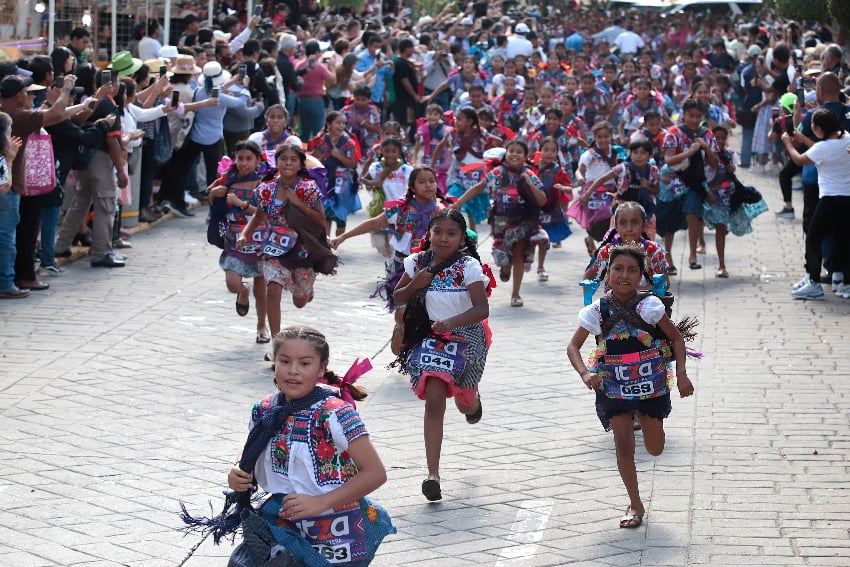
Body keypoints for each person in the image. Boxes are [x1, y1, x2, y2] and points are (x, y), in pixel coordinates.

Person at [225, 326, 394, 566]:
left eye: (305, 363)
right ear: (275, 363)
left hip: (337, 526)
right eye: (285, 361)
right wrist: (237, 472)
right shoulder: (264, 410)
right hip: (281, 517)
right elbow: (252, 449)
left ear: (321, 368)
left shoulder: (335, 414)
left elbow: (375, 473)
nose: (293, 371)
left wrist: (320, 502)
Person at [567, 243, 694, 529]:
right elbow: (573, 346)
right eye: (618, 269)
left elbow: (676, 339)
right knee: (623, 446)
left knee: (655, 447)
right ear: (608, 273)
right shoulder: (596, 312)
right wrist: (586, 373)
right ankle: (635, 503)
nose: (624, 275)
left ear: (641, 277)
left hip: (651, 385)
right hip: (613, 386)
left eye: (632, 270)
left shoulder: (649, 307)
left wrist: (683, 375)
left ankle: (651, 427)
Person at [391, 208, 491, 502]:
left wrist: (452, 322)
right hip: (429, 338)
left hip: (466, 337)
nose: (443, 239)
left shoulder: (469, 266)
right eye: (438, 232)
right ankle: (432, 473)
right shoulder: (416, 262)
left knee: (465, 399)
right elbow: (397, 297)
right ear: (429, 234)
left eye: (451, 233)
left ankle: (472, 403)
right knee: (434, 399)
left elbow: (481, 309)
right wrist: (415, 284)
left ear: (461, 237)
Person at [236, 144, 327, 343]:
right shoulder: (266, 188)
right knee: (273, 288)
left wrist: (297, 202)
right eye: (283, 159)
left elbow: (320, 219)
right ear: (276, 163)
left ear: (300, 164)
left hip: (303, 248)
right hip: (274, 246)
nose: (288, 163)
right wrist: (245, 234)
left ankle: (307, 290)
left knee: (300, 301)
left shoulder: (307, 187)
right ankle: (277, 343)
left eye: (293, 159)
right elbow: (259, 215)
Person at [453, 140, 549, 307]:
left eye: (519, 152)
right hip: (502, 220)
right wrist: (459, 202)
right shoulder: (497, 172)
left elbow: (542, 200)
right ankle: (506, 267)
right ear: (506, 154)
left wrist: (528, 182)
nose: (514, 154)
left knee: (519, 252)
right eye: (511, 151)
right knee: (504, 255)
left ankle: (516, 294)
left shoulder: (530, 174)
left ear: (526, 157)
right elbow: (478, 187)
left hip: (524, 220)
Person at [782, 109, 850, 300]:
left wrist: (788, 143)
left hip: (830, 199)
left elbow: (799, 159)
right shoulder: (846, 139)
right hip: (847, 198)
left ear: (820, 128)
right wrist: (803, 140)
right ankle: (843, 282)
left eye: (813, 126)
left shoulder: (824, 148)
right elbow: (821, 152)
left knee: (813, 239)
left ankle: (813, 281)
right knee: (843, 240)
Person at [207, 140, 270, 343]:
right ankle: (243, 291)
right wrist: (214, 194)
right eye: (240, 158)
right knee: (232, 283)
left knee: (262, 290)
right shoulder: (227, 179)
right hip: (234, 241)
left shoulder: (264, 182)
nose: (244, 163)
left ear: (258, 160)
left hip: (259, 241)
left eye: (248, 159)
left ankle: (262, 326)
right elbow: (212, 201)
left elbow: (267, 214)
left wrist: (242, 204)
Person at [663, 98, 718, 271]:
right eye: (690, 116)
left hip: (696, 182)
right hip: (672, 182)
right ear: (684, 115)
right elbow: (669, 160)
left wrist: (705, 148)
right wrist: (689, 152)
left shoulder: (707, 134)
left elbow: (715, 163)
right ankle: (667, 256)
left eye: (698, 116)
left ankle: (693, 254)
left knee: (693, 216)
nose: (694, 120)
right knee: (669, 222)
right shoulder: (673, 133)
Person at [433, 107, 489, 231]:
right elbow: (440, 147)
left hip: (476, 178)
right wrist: (432, 167)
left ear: (469, 122)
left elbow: (496, 141)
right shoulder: (452, 133)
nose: (455, 121)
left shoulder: (482, 134)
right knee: (451, 202)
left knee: (472, 214)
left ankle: (472, 242)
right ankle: (450, 231)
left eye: (459, 119)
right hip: (457, 176)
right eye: (455, 118)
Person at [309, 111, 361, 237]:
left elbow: (352, 164)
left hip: (342, 183)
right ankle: (327, 243)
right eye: (338, 122)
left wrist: (339, 156)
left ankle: (337, 241)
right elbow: (314, 160)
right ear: (329, 125)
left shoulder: (348, 142)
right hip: (325, 181)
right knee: (325, 213)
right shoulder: (322, 140)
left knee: (340, 216)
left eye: (344, 123)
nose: (342, 126)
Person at [533, 136, 572, 278]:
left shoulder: (559, 171)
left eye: (553, 150)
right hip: (531, 209)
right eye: (546, 150)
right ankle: (526, 258)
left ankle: (540, 267)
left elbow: (569, 188)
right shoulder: (531, 167)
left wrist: (563, 187)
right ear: (540, 151)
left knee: (544, 239)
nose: (549, 153)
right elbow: (516, 180)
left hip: (549, 209)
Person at [296, 40, 337, 141]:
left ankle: (303, 152)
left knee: (304, 131)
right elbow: (333, 80)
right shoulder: (319, 67)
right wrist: (332, 67)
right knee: (318, 131)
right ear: (317, 52)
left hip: (302, 101)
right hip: (316, 101)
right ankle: (316, 153)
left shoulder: (299, 65)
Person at [392, 39, 422, 144]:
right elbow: (405, 81)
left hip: (406, 99)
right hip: (404, 99)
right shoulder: (401, 64)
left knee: (408, 121)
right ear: (407, 49)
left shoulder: (406, 63)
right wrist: (414, 95)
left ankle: (404, 141)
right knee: (404, 122)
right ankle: (402, 142)